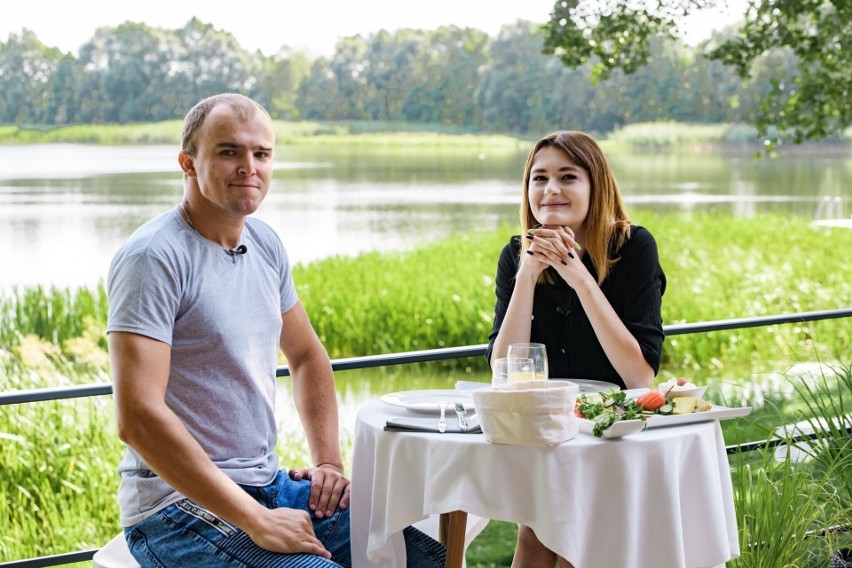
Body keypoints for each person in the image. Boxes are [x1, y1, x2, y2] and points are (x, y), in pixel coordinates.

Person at [107, 93, 445, 567]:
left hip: (269, 484)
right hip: (175, 509)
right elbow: (137, 417)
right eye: (229, 151)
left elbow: (306, 355)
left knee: (427, 558)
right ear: (188, 163)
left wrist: (327, 461)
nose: (249, 166)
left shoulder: (264, 244)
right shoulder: (153, 258)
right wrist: (255, 519)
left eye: (261, 153)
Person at [485, 130, 666, 567]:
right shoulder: (517, 255)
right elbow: (503, 369)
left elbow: (640, 376)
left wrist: (579, 278)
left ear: (595, 185)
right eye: (539, 178)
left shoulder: (633, 247)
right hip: (547, 430)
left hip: (612, 431)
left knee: (574, 547)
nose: (551, 190)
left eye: (568, 177)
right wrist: (527, 276)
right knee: (534, 540)